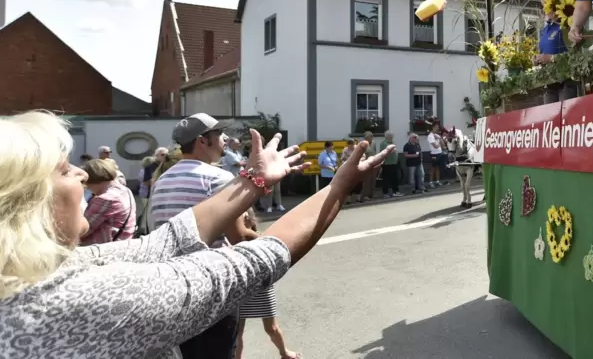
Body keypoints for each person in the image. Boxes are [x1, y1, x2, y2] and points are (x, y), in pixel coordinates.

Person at [0, 110, 393, 358]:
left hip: (169, 301)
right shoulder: (80, 298)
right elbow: (250, 253)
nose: (83, 174)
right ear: (27, 201)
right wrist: (340, 187)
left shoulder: (164, 175)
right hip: (191, 296)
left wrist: (254, 180)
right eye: (65, 170)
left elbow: (165, 239)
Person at [147, 113, 254, 359]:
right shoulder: (218, 177)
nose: (225, 138)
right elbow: (238, 237)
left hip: (172, 285)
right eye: (219, 134)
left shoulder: (163, 179)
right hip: (212, 286)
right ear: (202, 141)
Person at [235, 208, 299, 359]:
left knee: (271, 328)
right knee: (237, 332)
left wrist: (248, 232)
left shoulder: (260, 237)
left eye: (244, 217)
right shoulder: (233, 238)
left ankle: (284, 353)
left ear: (250, 220)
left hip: (262, 287)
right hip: (242, 287)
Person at [80, 158, 137, 245]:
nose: (87, 187)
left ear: (91, 179)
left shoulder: (104, 199)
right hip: (123, 245)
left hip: (103, 251)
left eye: (86, 184)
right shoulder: (125, 190)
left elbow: (82, 231)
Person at [535, 0, 578, 104]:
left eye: (545, 6)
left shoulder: (567, 26)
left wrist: (551, 58)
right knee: (550, 118)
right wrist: (537, 59)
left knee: (566, 117)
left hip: (566, 82)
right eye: (542, 6)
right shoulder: (546, 29)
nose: (543, 9)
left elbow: (574, 55)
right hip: (550, 83)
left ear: (555, 7)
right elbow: (544, 51)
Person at [379, 131, 403, 198]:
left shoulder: (393, 142)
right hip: (387, 163)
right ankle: (385, 193)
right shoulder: (383, 143)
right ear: (387, 136)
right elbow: (383, 153)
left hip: (394, 163)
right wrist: (390, 152)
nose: (392, 137)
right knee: (386, 179)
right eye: (390, 136)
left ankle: (396, 191)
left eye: (392, 136)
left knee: (395, 178)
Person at [427, 123, 443, 188]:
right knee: (433, 168)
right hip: (434, 154)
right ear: (433, 127)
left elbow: (443, 144)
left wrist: (440, 138)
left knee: (438, 168)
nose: (438, 128)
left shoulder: (437, 135)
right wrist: (439, 141)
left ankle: (437, 181)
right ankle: (430, 182)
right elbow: (435, 146)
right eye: (436, 127)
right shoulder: (430, 136)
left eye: (438, 127)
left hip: (439, 153)